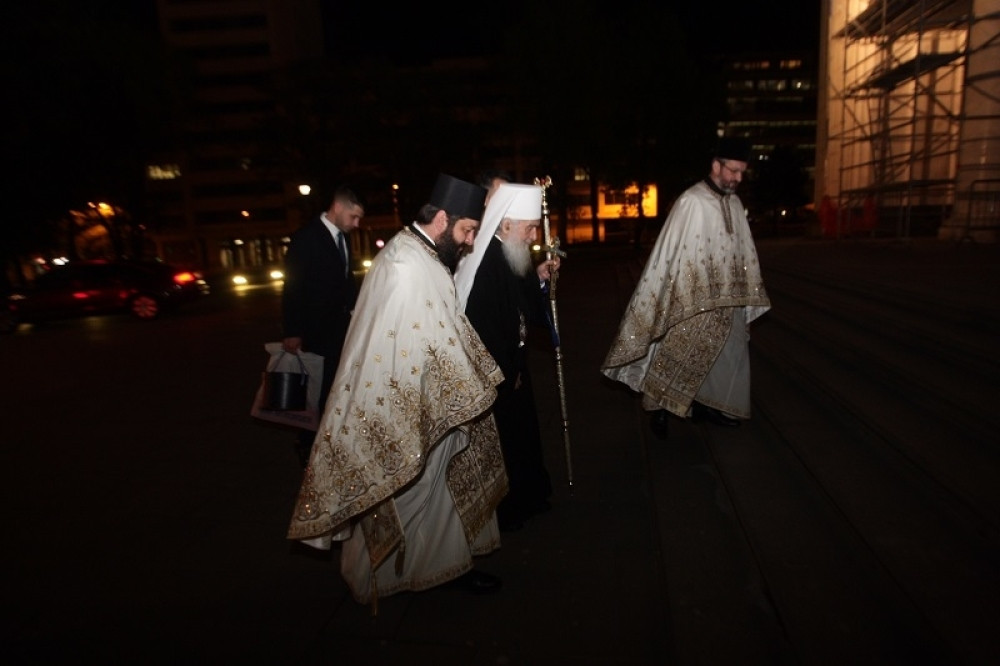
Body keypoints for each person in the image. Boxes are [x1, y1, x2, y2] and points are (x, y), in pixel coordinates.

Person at [287, 173, 507, 605]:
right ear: (442, 219)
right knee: (402, 498)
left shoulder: (419, 252)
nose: (468, 242)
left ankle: (444, 568)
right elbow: (410, 346)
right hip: (403, 406)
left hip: (428, 400)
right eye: (467, 231)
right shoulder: (406, 265)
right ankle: (375, 579)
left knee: (436, 495)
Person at [600, 137, 771, 440]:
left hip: (729, 297)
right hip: (692, 297)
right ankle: (660, 410)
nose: (738, 178)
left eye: (742, 172)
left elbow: (742, 250)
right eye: (733, 170)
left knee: (727, 354)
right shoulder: (691, 201)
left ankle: (708, 407)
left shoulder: (734, 203)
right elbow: (672, 252)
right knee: (677, 355)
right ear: (716, 165)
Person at [455, 182, 559, 532]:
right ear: (506, 224)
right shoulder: (486, 262)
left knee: (524, 433)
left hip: (514, 363)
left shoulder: (513, 251)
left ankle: (531, 495)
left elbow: (524, 305)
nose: (534, 236)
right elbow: (485, 326)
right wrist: (506, 370)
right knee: (507, 440)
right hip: (498, 368)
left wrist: (541, 279)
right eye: (529, 228)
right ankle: (511, 508)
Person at [281, 185, 364, 467]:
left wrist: (356, 309)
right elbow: (292, 286)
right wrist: (292, 331)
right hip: (314, 331)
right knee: (312, 391)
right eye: (353, 217)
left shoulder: (343, 237)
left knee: (333, 386)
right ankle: (306, 445)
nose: (357, 224)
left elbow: (346, 277)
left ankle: (329, 439)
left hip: (340, 329)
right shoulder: (306, 238)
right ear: (338, 207)